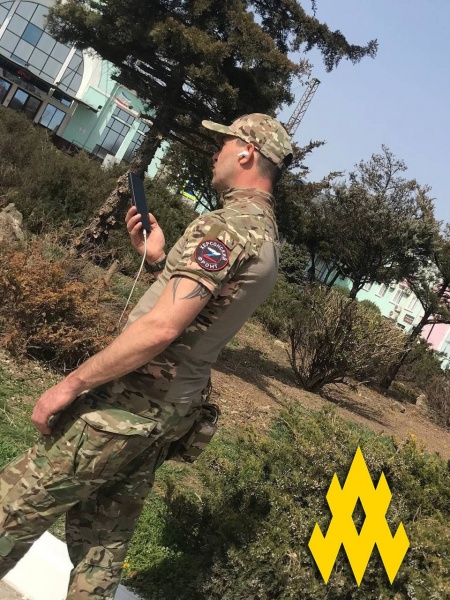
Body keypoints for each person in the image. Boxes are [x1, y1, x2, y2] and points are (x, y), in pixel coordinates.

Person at [0, 113, 293, 599]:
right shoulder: (266, 239)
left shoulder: (224, 228)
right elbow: (204, 311)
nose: (214, 153)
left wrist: (69, 385)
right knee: (102, 545)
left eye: (223, 143)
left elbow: (162, 328)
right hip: (167, 413)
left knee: (14, 506)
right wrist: (159, 259)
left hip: (124, 407)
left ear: (247, 152)